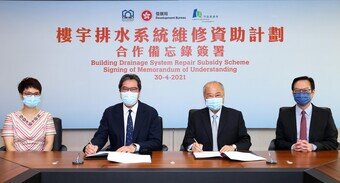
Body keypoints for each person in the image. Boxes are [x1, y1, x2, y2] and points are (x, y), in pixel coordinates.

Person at [84, 74, 162, 155]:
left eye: (133, 89)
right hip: (116, 160)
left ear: (139, 92)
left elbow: (156, 142)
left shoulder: (150, 113)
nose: (129, 92)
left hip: (141, 159)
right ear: (120, 91)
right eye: (125, 89)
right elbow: (101, 136)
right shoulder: (110, 113)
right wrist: (92, 146)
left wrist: (134, 147)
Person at [182, 81, 251, 152]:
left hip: (227, 160)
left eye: (217, 95)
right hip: (203, 161)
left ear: (223, 95)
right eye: (210, 96)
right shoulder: (196, 116)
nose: (214, 98)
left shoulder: (236, 116)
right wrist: (192, 146)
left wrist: (233, 147)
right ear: (204, 97)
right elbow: (187, 140)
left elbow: (246, 141)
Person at [275, 76, 338, 151]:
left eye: (305, 90)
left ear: (313, 92)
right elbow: (278, 141)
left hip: (317, 158)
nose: (301, 93)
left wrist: (312, 146)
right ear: (293, 93)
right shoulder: (284, 114)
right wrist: (293, 146)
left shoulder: (325, 114)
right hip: (291, 157)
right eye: (297, 90)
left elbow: (333, 142)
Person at [1, 77, 56, 151]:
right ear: (21, 95)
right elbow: (9, 145)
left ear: (40, 95)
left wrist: (42, 161)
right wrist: (17, 162)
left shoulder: (47, 116)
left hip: (41, 160)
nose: (32, 97)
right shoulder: (11, 117)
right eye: (28, 94)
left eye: (36, 94)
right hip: (16, 160)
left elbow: (49, 143)